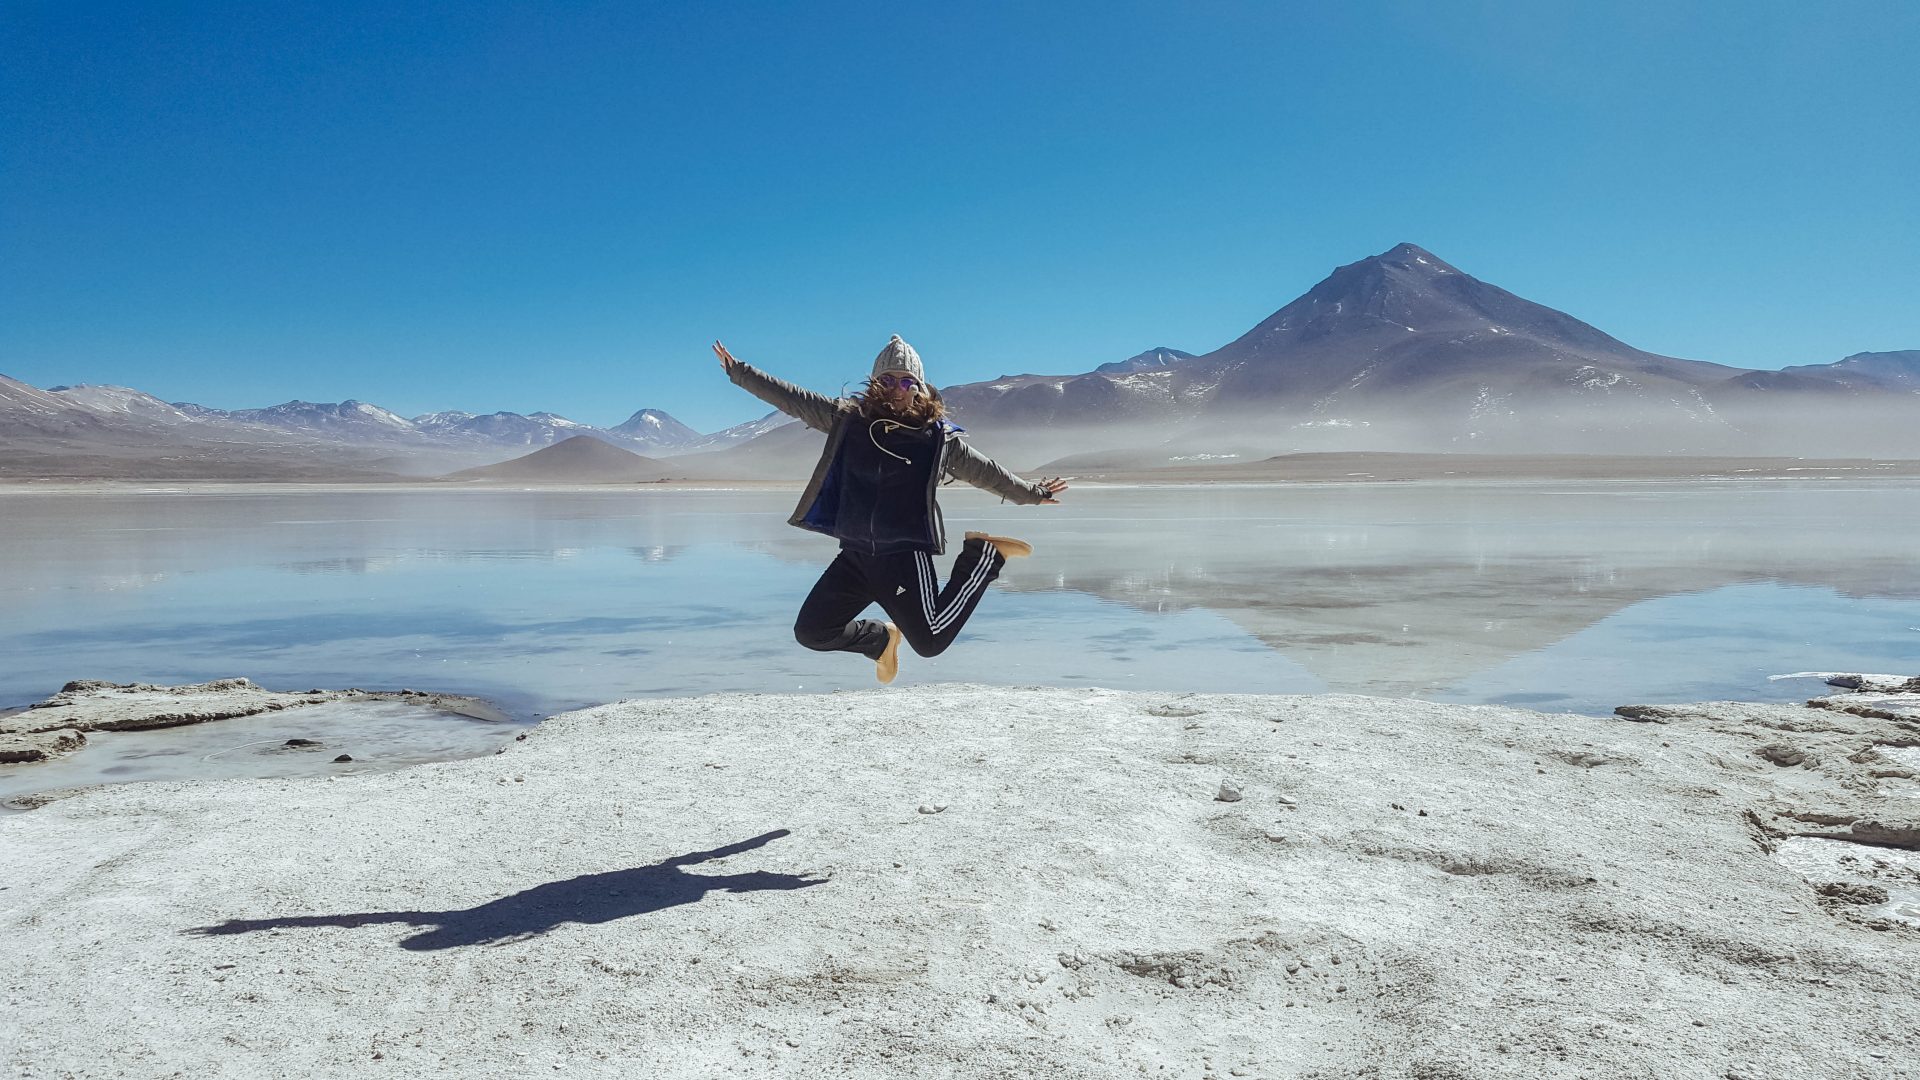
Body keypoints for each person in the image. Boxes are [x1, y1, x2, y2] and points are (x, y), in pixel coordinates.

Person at [714, 335, 1068, 684]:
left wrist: (1032, 493)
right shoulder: (848, 421)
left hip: (903, 558)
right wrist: (740, 372)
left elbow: (986, 472)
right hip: (855, 557)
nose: (896, 388)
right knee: (813, 631)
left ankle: (983, 556)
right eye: (887, 380)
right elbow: (795, 399)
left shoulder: (936, 439)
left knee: (930, 643)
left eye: (905, 380)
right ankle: (880, 639)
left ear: (919, 387)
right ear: (874, 383)